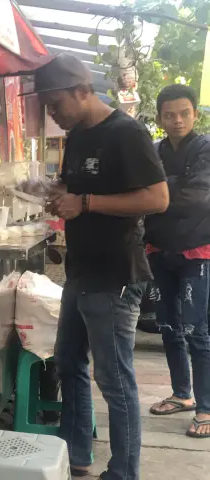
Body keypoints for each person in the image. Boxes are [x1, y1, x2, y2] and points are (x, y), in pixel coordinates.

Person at [36, 54, 169, 480]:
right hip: (81, 270)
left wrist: (86, 203)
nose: (52, 113)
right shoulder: (76, 136)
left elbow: (157, 198)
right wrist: (48, 191)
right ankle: (74, 454)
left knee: (114, 380)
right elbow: (72, 188)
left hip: (115, 274)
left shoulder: (126, 133)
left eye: (55, 103)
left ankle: (124, 471)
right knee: (68, 360)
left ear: (82, 90)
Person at [144, 84, 210, 438]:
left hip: (196, 251)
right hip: (159, 250)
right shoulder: (155, 151)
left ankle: (206, 407)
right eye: (170, 114)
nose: (178, 119)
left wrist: (159, 193)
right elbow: (143, 192)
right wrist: (173, 186)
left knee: (197, 331)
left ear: (195, 114)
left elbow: (198, 199)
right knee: (168, 326)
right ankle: (182, 394)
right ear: (159, 118)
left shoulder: (206, 148)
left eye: (184, 112)